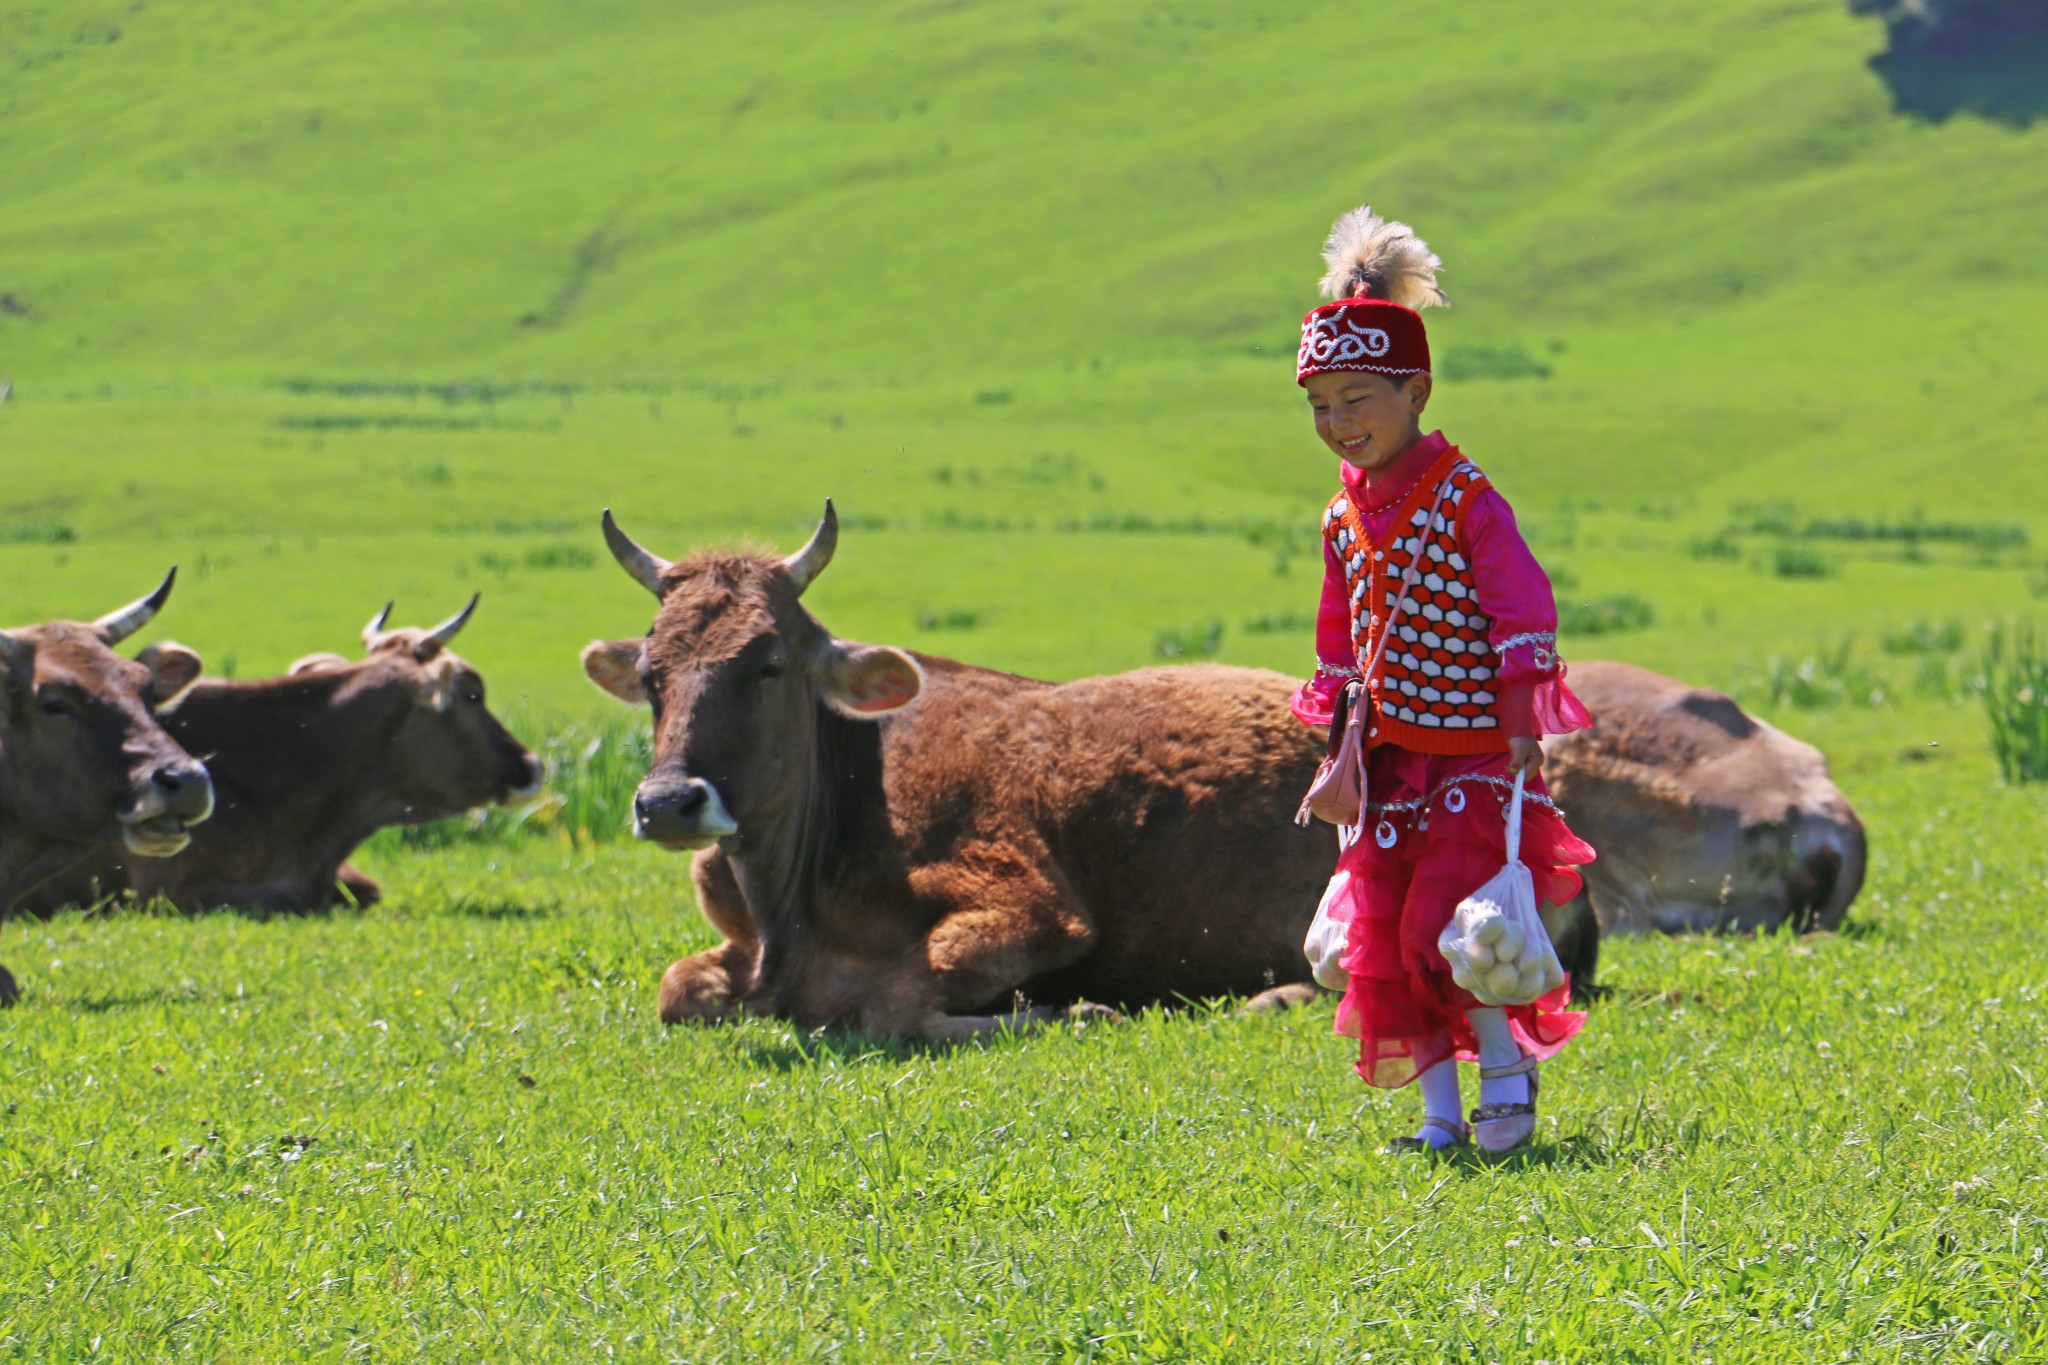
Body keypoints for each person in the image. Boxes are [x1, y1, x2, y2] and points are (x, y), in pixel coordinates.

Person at [1290, 206, 1597, 1154]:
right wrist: (1338, 721)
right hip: (1389, 764)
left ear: (1415, 388)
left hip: (1470, 756)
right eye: (1320, 406)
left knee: (1453, 930)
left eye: (1357, 399)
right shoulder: (1342, 520)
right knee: (1380, 938)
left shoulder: (1467, 498)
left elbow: (1523, 604)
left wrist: (1517, 715)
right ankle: (1437, 1115)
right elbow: (1340, 629)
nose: (1339, 424)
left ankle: (1507, 1076)